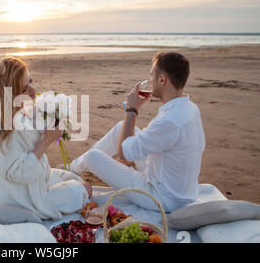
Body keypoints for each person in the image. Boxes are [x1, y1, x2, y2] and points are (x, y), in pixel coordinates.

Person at [70, 52, 205, 212]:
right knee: (122, 128)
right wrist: (134, 161)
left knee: (92, 157)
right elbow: (169, 151)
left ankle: (70, 173)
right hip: (175, 185)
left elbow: (123, 153)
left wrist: (132, 109)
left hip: (163, 197)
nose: (149, 81)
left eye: (151, 76)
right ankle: (71, 169)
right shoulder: (189, 108)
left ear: (162, 79)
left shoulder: (169, 121)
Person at [0, 56, 92, 220]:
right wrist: (47, 140)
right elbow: (18, 173)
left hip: (38, 178)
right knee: (86, 189)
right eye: (23, 89)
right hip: (24, 197)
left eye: (31, 81)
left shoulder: (17, 110)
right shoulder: (7, 126)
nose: (33, 90)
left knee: (74, 177)